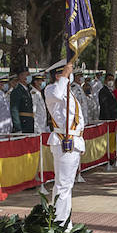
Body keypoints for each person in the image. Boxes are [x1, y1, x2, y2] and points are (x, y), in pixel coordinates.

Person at [44, 58, 86, 224]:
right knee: (62, 185)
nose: (71, 76)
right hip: (64, 140)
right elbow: (55, 94)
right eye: (67, 72)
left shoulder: (69, 92)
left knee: (67, 185)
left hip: (74, 141)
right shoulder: (52, 89)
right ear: (58, 75)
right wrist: (65, 76)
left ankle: (64, 220)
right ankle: (60, 222)